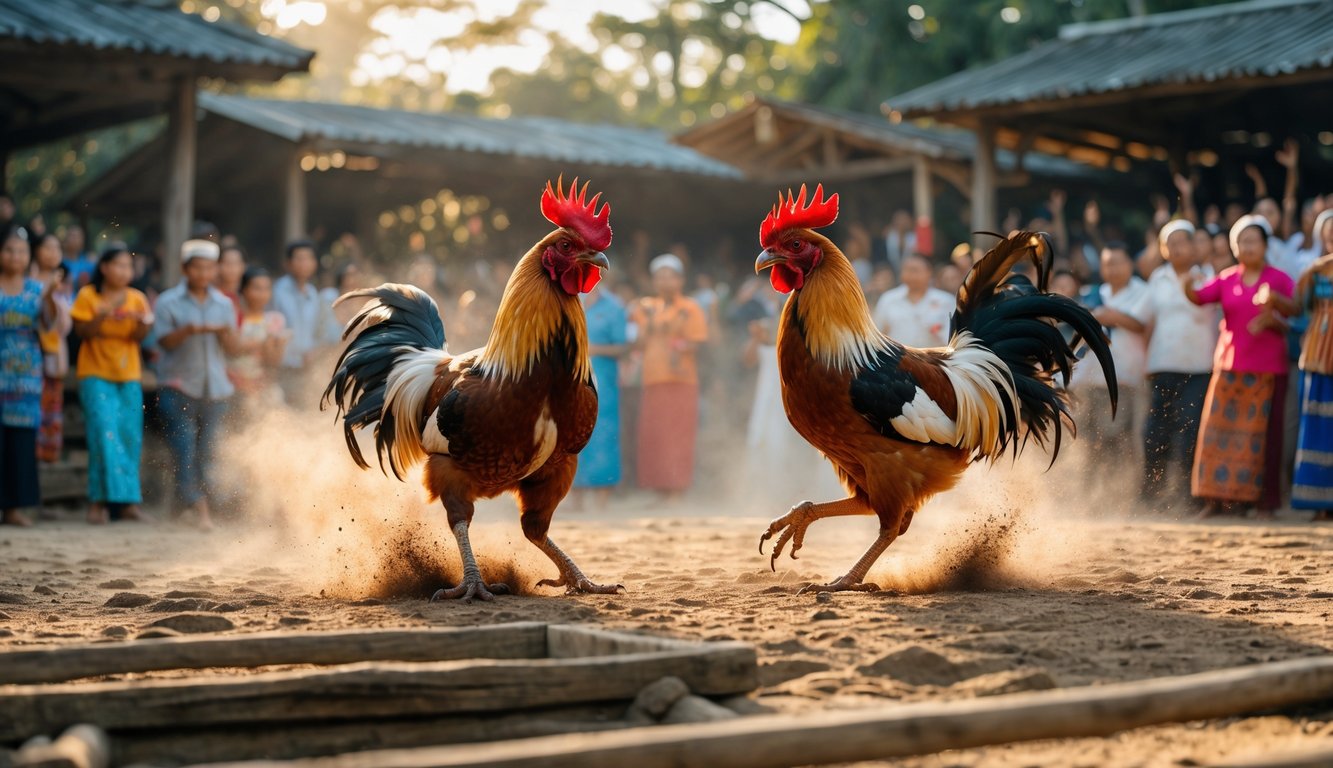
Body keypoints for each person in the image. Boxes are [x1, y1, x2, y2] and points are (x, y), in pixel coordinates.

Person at [1183, 216, 1298, 518]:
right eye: (1241, 241)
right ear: (1234, 246)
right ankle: (1216, 501)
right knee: (1218, 435)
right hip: (1230, 366)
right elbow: (1199, 297)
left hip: (1269, 369)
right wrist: (1186, 285)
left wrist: (1274, 312)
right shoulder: (1227, 278)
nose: (1247, 246)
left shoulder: (1279, 278)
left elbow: (1296, 312)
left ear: (1264, 246)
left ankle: (1265, 503)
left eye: (1253, 240)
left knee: (1267, 439)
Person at [1127, 221, 1219, 513]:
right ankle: (1151, 495)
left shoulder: (1209, 277)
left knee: (1190, 432)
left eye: (1183, 241)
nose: (1177, 247)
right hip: (1161, 366)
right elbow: (1144, 321)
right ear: (1163, 249)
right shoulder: (1158, 279)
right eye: (1171, 242)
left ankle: (1187, 497)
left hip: (1199, 367)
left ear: (1195, 246)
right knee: (1155, 433)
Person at [155, 240, 241, 530]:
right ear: (185, 269)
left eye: (208, 268)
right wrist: (189, 330)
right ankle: (199, 509)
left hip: (215, 388)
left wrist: (224, 335)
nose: (203, 273)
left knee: (207, 453)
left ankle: (185, 507)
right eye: (197, 267)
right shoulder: (168, 302)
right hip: (178, 386)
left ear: (215, 270)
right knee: (185, 450)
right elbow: (164, 342)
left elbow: (231, 348)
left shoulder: (224, 303)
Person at [71, 243, 153, 524]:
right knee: (102, 436)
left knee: (130, 437)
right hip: (95, 372)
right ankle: (98, 503)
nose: (124, 271)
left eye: (128, 266)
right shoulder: (88, 296)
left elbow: (140, 337)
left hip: (128, 374)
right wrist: (103, 314)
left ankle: (129, 503)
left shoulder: (137, 298)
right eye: (118, 265)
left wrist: (143, 322)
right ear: (104, 268)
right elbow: (81, 331)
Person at [1069, 244, 1149, 495]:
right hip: (1092, 380)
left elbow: (1141, 325)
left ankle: (1120, 492)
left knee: (1117, 438)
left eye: (1117, 262)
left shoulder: (1142, 292)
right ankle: (1089, 494)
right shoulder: (1094, 294)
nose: (1112, 268)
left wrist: (1109, 316)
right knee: (1089, 440)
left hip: (1126, 379)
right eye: (1107, 263)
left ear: (1129, 264)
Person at [630, 254, 708, 499]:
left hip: (682, 380)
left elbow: (696, 343)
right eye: (660, 277)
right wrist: (650, 328)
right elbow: (637, 344)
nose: (665, 281)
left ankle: (678, 490)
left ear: (680, 280)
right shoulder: (643, 308)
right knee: (654, 435)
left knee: (678, 435)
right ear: (653, 281)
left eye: (670, 276)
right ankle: (659, 489)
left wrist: (677, 344)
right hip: (652, 379)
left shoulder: (690, 307)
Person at [0, 226, 57, 526]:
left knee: (21, 443)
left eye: (20, 251)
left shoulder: (37, 289)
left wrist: (49, 297)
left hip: (26, 376)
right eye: (9, 250)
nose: (14, 256)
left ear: (28, 256)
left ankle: (13, 509)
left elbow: (50, 324)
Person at [1291, 210, 1333, 520]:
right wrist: (1312, 270)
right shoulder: (1316, 269)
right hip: (1318, 351)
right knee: (1316, 427)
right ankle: (1316, 503)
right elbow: (1298, 305)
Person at [572, 278, 628, 509]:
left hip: (603, 380)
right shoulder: (571, 301)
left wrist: (593, 349)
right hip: (572, 379)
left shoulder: (614, 307)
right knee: (573, 433)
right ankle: (575, 500)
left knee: (604, 434)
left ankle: (602, 501)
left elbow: (622, 347)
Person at [270, 239, 340, 405]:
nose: (304, 263)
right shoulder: (277, 292)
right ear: (287, 263)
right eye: (299, 258)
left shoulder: (313, 294)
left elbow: (319, 332)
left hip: (306, 369)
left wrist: (315, 350)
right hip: (281, 370)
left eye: (309, 258)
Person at [29, 233, 73, 463]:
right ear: (35, 251)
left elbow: (65, 326)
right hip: (27, 359)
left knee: (49, 415)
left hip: (54, 360)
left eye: (57, 248)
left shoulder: (63, 283)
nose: (53, 252)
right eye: (47, 247)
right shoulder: (28, 280)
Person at [227, 267, 289, 410]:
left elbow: (273, 361)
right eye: (257, 288)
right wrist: (262, 342)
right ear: (243, 289)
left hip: (262, 386)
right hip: (233, 386)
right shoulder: (233, 317)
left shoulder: (274, 320)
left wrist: (275, 346)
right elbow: (232, 349)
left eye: (266, 289)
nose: (262, 294)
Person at [872, 254, 953, 348]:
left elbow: (954, 338)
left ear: (929, 272)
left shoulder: (946, 301)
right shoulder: (888, 299)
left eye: (915, 270)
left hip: (934, 359)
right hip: (898, 359)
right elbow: (876, 335)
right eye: (907, 270)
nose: (911, 275)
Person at [215, 244, 246, 325]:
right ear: (218, 266)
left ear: (243, 266)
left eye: (236, 263)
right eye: (227, 263)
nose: (232, 268)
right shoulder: (213, 296)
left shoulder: (247, 295)